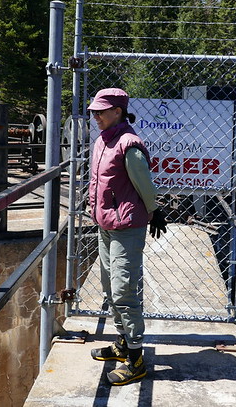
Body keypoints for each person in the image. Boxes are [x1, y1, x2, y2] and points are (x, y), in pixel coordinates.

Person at [87, 87, 167, 386]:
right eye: (94, 111)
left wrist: (154, 210)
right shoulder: (103, 140)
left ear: (117, 111)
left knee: (123, 290)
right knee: (110, 287)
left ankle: (136, 360)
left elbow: (143, 183)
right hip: (106, 224)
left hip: (127, 228)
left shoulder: (128, 144)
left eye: (101, 111)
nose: (95, 116)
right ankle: (122, 344)